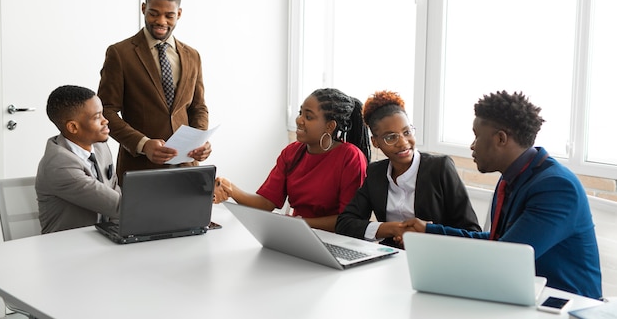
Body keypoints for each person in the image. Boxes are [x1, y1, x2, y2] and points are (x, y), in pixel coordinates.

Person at [402, 91, 602, 299]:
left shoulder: (556, 187)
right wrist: (430, 231)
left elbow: (506, 258)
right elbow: (498, 242)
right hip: (521, 295)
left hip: (564, 305)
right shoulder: (513, 177)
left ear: (501, 138)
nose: (472, 145)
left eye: (477, 136)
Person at [97, 0, 211, 182]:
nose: (161, 21)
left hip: (187, 168)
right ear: (143, 8)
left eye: (169, 15)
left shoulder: (193, 56)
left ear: (179, 14)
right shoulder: (120, 53)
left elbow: (198, 107)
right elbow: (106, 110)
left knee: (189, 215)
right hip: (140, 167)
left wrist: (200, 139)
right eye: (154, 13)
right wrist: (142, 144)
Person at [336, 90, 480, 248]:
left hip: (436, 255)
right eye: (390, 137)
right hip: (391, 257)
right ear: (375, 142)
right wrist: (389, 229)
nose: (403, 142)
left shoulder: (440, 168)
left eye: (407, 132)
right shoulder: (376, 172)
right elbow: (345, 223)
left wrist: (428, 233)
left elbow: (471, 230)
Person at [214, 88, 371, 232]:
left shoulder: (351, 157)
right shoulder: (292, 152)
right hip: (297, 234)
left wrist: (298, 223)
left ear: (330, 126)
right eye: (300, 113)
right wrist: (230, 189)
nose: (299, 120)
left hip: (334, 240)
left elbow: (348, 221)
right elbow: (266, 203)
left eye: (308, 116)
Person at [36, 85, 121, 233]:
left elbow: (115, 191)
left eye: (103, 114)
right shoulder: (59, 165)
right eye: (97, 117)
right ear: (73, 127)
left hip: (104, 238)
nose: (105, 121)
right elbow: (118, 206)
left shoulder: (100, 148)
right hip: (68, 247)